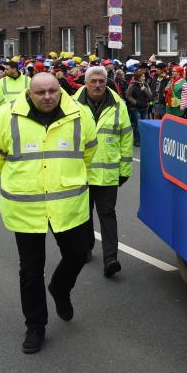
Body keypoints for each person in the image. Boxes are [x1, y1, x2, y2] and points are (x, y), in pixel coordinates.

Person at [0, 72, 97, 353]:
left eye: (52, 91)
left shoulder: (80, 114)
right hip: (26, 206)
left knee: (78, 253)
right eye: (40, 92)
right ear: (29, 93)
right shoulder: (5, 116)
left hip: (68, 203)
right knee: (31, 270)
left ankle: (60, 288)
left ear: (60, 90)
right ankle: (35, 326)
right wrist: (23, 180)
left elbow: (88, 152)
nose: (47, 97)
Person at [75, 66, 133, 276]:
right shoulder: (72, 104)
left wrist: (125, 169)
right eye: (93, 81)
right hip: (80, 172)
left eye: (101, 81)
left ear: (106, 82)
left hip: (108, 173)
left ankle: (111, 259)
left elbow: (126, 138)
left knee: (107, 215)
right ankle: (87, 247)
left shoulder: (118, 105)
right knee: (84, 214)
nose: (98, 85)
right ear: (86, 83)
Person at [125, 68, 153, 147]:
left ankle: (143, 139)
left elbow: (150, 96)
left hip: (145, 107)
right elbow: (128, 96)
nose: (144, 77)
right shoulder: (132, 85)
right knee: (138, 124)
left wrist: (145, 90)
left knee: (144, 124)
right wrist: (136, 102)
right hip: (135, 108)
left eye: (144, 76)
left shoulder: (146, 84)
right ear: (138, 77)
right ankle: (137, 140)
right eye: (143, 76)